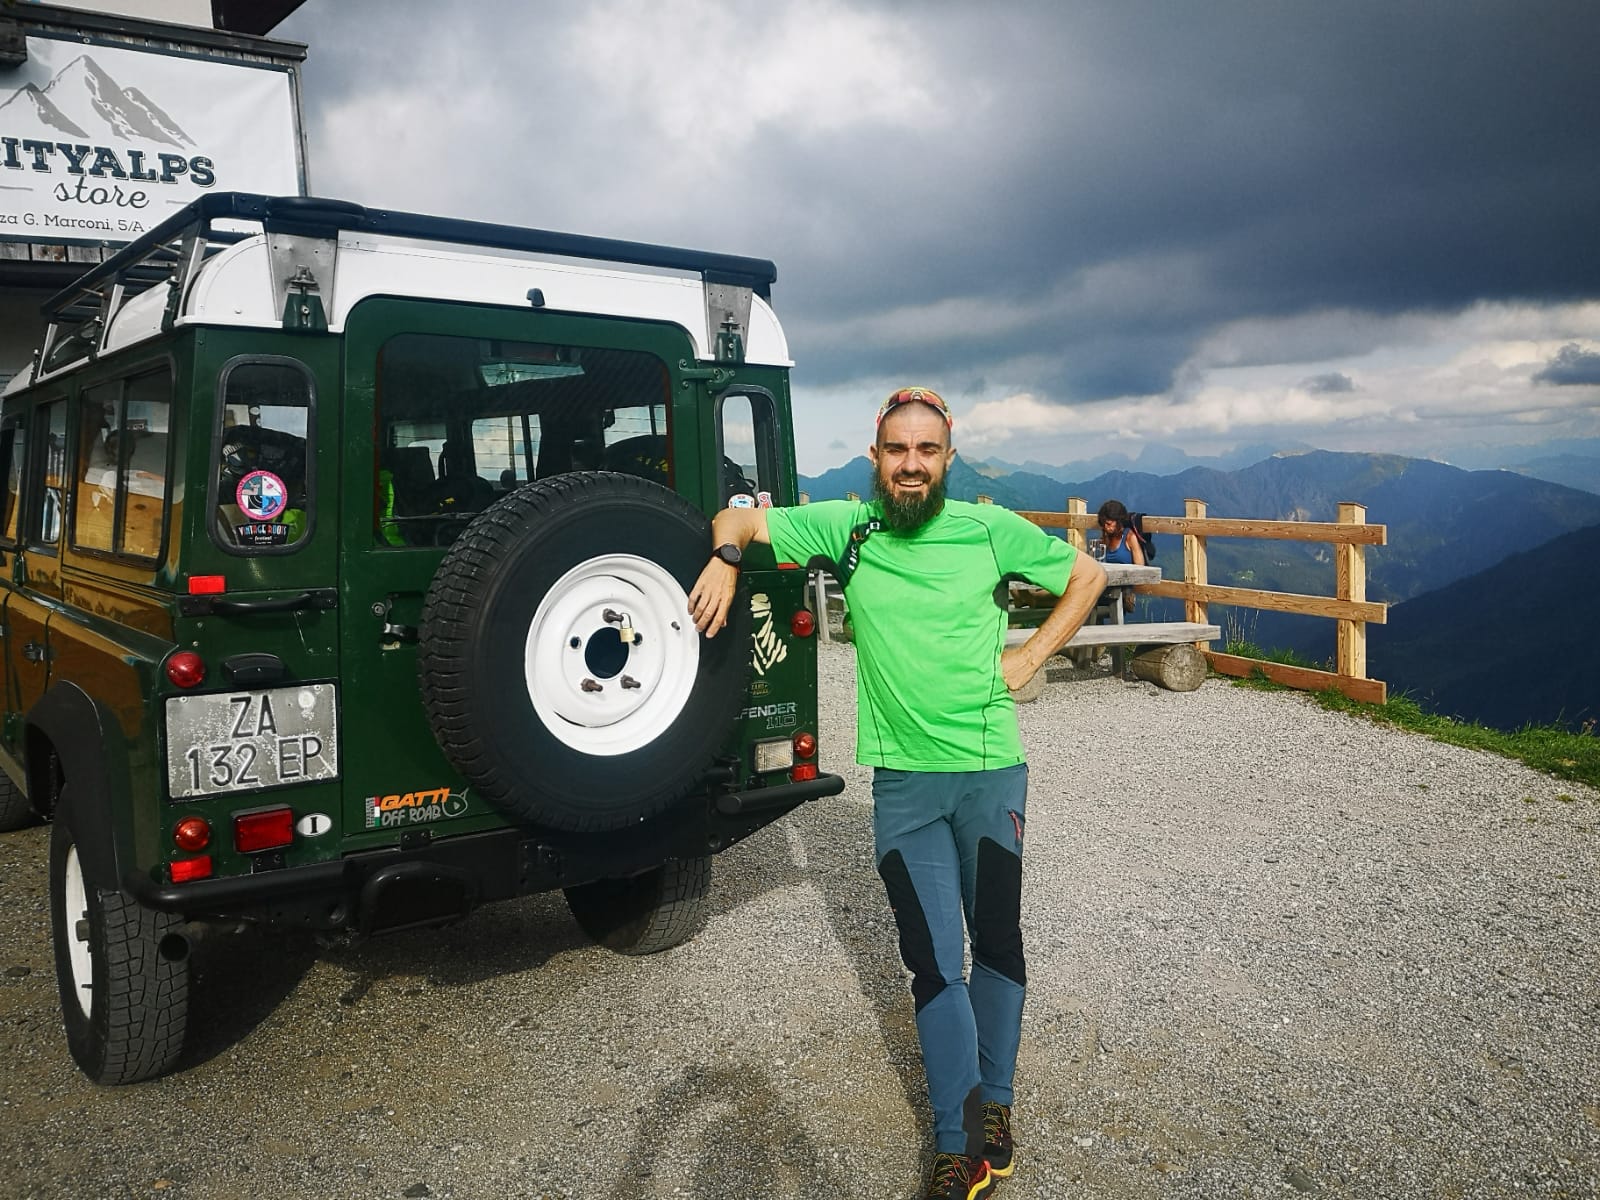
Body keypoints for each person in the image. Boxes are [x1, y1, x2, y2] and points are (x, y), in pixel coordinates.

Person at [689, 386, 1106, 1199]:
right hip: (907, 785)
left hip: (991, 771)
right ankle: (957, 1145)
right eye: (896, 450)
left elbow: (1086, 575)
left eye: (927, 451)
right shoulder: (848, 527)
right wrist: (726, 559)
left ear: (948, 458)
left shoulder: (990, 530)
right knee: (932, 965)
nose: (911, 465)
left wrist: (1032, 656)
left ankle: (997, 1107)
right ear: (876, 456)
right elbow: (737, 519)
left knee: (997, 944)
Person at [1094, 499, 1144, 614]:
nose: (1107, 527)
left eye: (1109, 524)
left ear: (1118, 521)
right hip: (1105, 583)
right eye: (1104, 524)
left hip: (1122, 587)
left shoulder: (1129, 537)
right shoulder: (1106, 538)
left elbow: (1140, 567)